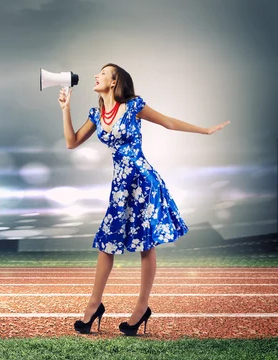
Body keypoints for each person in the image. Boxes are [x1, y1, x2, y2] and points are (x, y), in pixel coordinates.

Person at [58, 63, 229, 336]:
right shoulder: (97, 113)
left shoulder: (134, 106)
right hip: (120, 185)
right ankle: (93, 305)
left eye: (103, 73)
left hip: (143, 182)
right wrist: (66, 109)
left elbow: (168, 122)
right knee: (107, 243)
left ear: (114, 82)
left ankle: (141, 308)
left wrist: (205, 131)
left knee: (145, 244)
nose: (96, 76)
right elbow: (72, 141)